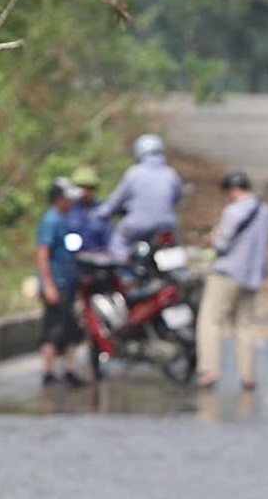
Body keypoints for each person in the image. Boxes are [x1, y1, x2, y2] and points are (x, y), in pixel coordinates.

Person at [198, 170, 268, 391]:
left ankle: (209, 369)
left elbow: (222, 245)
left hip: (227, 273)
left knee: (211, 321)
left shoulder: (232, 211)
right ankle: (247, 375)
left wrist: (213, 238)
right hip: (253, 274)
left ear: (231, 191)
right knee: (246, 325)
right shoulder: (265, 211)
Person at [32, 178, 88, 388]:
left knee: (70, 329)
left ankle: (68, 370)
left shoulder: (61, 219)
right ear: (58, 199)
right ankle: (48, 372)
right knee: (54, 330)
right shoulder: (51, 221)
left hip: (66, 283)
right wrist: (48, 285)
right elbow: (42, 253)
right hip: (56, 284)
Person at [101, 133, 185, 255]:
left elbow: (116, 201)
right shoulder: (171, 174)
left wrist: (102, 213)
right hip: (167, 226)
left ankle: (122, 271)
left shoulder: (134, 173)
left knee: (119, 240)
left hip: (138, 226)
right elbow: (178, 199)